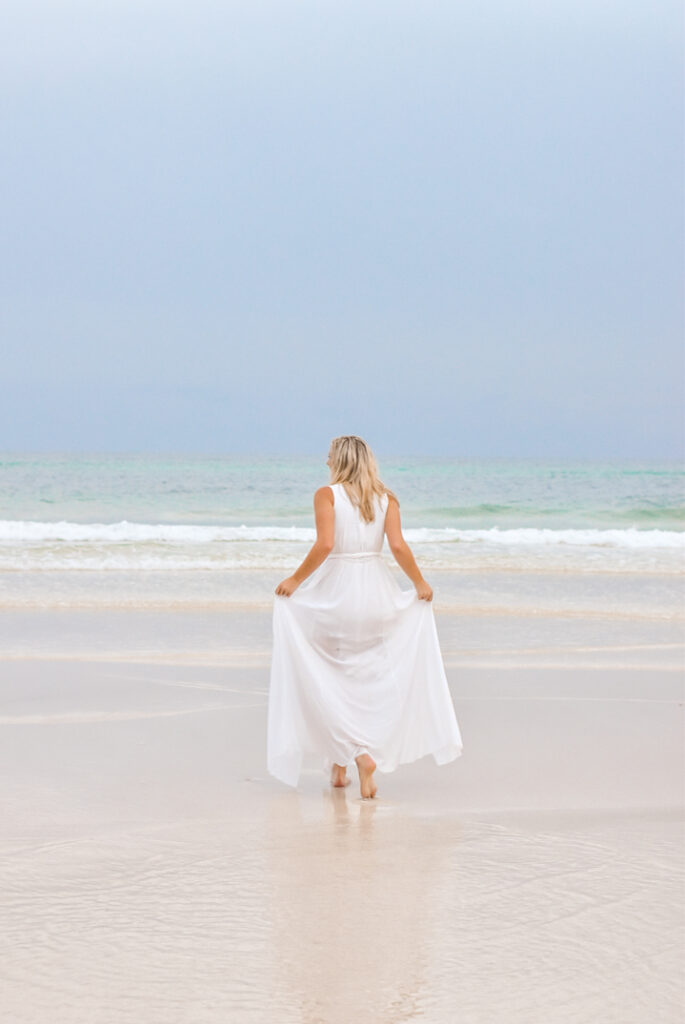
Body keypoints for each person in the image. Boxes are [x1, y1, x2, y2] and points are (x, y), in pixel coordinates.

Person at [267, 435, 463, 799]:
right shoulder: (387, 498)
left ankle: (359, 754)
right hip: (377, 593)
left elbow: (325, 545)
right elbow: (399, 546)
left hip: (337, 593)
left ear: (340, 460)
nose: (326, 461)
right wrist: (419, 582)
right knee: (360, 676)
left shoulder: (327, 494)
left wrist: (295, 579)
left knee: (330, 677)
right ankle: (339, 769)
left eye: (329, 456)